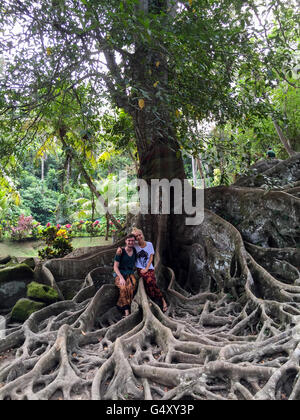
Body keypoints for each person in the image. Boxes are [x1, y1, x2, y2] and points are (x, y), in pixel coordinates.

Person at [117, 229, 168, 312]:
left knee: (152, 281)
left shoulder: (149, 244)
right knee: (149, 280)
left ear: (142, 234)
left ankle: (161, 299)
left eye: (139, 235)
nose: (139, 237)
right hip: (140, 268)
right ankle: (155, 298)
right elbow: (127, 245)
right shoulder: (135, 245)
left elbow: (151, 257)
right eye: (136, 236)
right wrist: (120, 248)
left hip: (149, 268)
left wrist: (147, 268)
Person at [113, 234, 137, 317]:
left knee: (131, 288)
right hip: (120, 274)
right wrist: (121, 278)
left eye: (132, 241)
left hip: (130, 275)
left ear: (134, 242)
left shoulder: (135, 251)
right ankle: (126, 311)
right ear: (125, 241)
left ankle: (120, 305)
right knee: (123, 288)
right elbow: (115, 267)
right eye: (129, 240)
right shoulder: (120, 251)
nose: (130, 242)